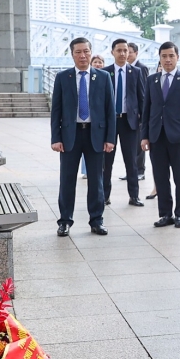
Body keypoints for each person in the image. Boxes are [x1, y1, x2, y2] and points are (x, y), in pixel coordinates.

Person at [51, 37, 115, 236]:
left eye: (86, 51)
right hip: (70, 135)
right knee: (67, 180)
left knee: (96, 181)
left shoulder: (103, 77)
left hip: (96, 135)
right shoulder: (63, 77)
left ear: (91, 52)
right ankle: (65, 221)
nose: (83, 55)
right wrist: (55, 138)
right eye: (78, 52)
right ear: (72, 54)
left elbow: (110, 110)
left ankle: (96, 220)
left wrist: (110, 138)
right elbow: (56, 110)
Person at [142, 42, 180, 227]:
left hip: (179, 137)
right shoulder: (152, 80)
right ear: (159, 58)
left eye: (171, 56)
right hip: (156, 136)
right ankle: (165, 214)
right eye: (164, 56)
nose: (167, 59)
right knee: (160, 177)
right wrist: (144, 136)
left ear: (177, 57)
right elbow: (147, 110)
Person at [103, 38, 146, 208]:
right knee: (106, 162)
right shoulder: (105, 73)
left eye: (125, 50)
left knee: (131, 162)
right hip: (109, 122)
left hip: (129, 122)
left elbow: (142, 98)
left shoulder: (136, 72)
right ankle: (104, 196)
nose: (122, 53)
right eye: (119, 50)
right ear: (112, 52)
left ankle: (134, 196)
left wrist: (142, 123)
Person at [128, 41, 149, 180]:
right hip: (129, 113)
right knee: (130, 145)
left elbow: (144, 91)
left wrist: (143, 111)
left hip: (138, 112)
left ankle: (140, 171)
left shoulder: (142, 68)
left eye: (130, 52)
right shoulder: (126, 68)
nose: (127, 55)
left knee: (139, 143)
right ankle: (132, 171)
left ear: (136, 53)